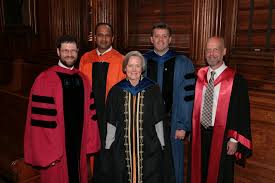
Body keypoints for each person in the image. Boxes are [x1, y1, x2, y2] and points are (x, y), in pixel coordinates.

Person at [24, 35, 101, 183]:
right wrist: (48, 153)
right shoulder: (45, 79)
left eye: (73, 50)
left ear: (78, 52)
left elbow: (91, 115)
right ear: (58, 52)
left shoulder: (83, 79)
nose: (69, 54)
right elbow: (41, 121)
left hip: (79, 146)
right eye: (65, 50)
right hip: (57, 152)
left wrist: (90, 143)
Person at [102, 51, 174, 183]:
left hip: (149, 146)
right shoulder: (116, 91)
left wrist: (162, 146)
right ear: (125, 68)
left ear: (142, 68)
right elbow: (111, 121)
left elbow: (159, 120)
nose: (134, 69)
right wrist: (108, 147)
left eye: (137, 66)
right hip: (122, 146)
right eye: (130, 66)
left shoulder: (153, 89)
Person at [190, 36, 252, 183]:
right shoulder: (198, 77)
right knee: (199, 173)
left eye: (215, 49)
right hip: (200, 133)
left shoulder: (236, 80)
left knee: (221, 176)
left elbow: (241, 113)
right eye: (208, 50)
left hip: (223, 137)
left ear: (224, 51)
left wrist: (233, 139)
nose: (211, 53)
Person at [143, 22, 195, 183]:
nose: (160, 40)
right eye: (157, 36)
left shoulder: (183, 62)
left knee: (173, 163)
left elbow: (188, 97)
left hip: (172, 122)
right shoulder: (141, 61)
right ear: (151, 39)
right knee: (148, 162)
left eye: (164, 36)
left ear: (170, 39)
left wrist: (183, 125)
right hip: (147, 123)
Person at [79, 22, 124, 181]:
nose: (103, 38)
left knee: (109, 152)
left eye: (107, 35)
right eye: (100, 34)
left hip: (112, 116)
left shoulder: (121, 60)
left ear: (112, 38)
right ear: (95, 37)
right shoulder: (86, 58)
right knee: (92, 149)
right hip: (90, 114)